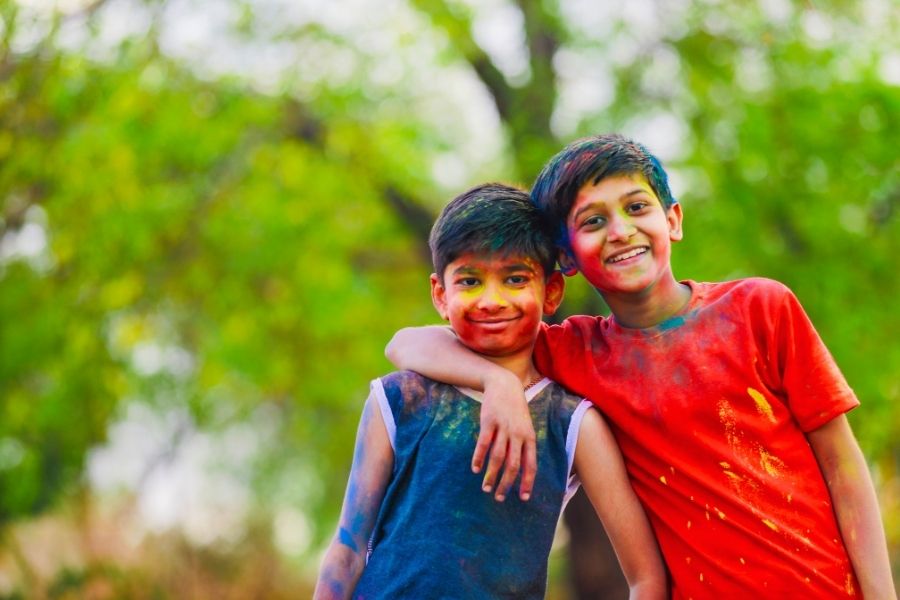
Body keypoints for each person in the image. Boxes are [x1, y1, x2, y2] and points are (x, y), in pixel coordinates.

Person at [386, 135, 897, 598]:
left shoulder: (760, 308)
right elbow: (407, 344)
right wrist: (494, 379)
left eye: (636, 207)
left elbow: (843, 466)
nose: (621, 231)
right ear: (564, 257)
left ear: (672, 219)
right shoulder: (575, 352)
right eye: (593, 221)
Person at [314, 183, 665, 599]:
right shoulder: (400, 399)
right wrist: (496, 381)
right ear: (440, 295)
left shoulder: (571, 423)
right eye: (469, 281)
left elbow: (646, 577)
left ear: (551, 291)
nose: (491, 300)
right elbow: (348, 550)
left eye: (516, 278)